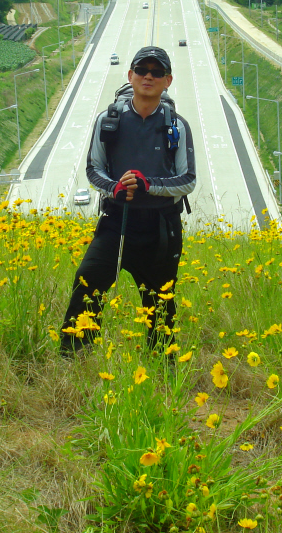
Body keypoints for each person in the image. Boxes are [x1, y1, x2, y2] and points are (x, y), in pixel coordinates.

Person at [59, 45, 197, 354]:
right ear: (130, 75)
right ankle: (72, 359)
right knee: (87, 284)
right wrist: (115, 189)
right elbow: (93, 169)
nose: (149, 77)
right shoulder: (108, 121)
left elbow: (188, 180)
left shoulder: (177, 126)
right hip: (115, 221)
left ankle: (162, 368)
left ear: (168, 81)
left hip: (162, 228)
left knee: (160, 302)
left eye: (157, 72)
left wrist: (149, 185)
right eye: (142, 70)